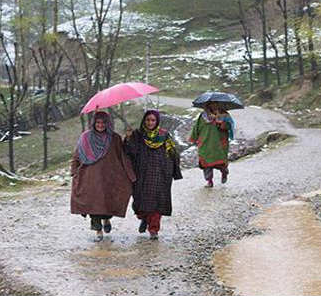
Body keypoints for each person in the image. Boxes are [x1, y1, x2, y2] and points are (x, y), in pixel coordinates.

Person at [71, 111, 136, 242]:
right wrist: (74, 170)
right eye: (98, 122)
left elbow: (124, 154)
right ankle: (98, 230)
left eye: (103, 122)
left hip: (109, 178)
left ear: (108, 123)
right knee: (93, 204)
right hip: (90, 178)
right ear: (93, 123)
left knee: (108, 202)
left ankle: (106, 219)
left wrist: (129, 139)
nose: (100, 125)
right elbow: (77, 155)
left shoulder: (115, 138)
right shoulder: (85, 137)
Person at [124, 110, 182, 240]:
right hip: (141, 174)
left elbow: (173, 152)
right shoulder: (138, 135)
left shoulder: (164, 135)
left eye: (153, 120)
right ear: (144, 120)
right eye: (148, 120)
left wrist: (175, 171)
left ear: (157, 122)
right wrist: (128, 139)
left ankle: (154, 229)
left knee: (157, 203)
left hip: (160, 173)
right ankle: (144, 218)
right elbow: (130, 152)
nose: (150, 122)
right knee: (139, 202)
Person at [189, 102, 234, 188]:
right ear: (208, 105)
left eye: (216, 104)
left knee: (220, 162)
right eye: (211, 104)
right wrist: (194, 138)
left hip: (219, 143)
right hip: (205, 143)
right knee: (205, 163)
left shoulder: (224, 115)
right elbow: (196, 127)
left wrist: (221, 123)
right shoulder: (203, 116)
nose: (214, 105)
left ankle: (224, 171)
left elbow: (229, 126)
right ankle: (209, 181)